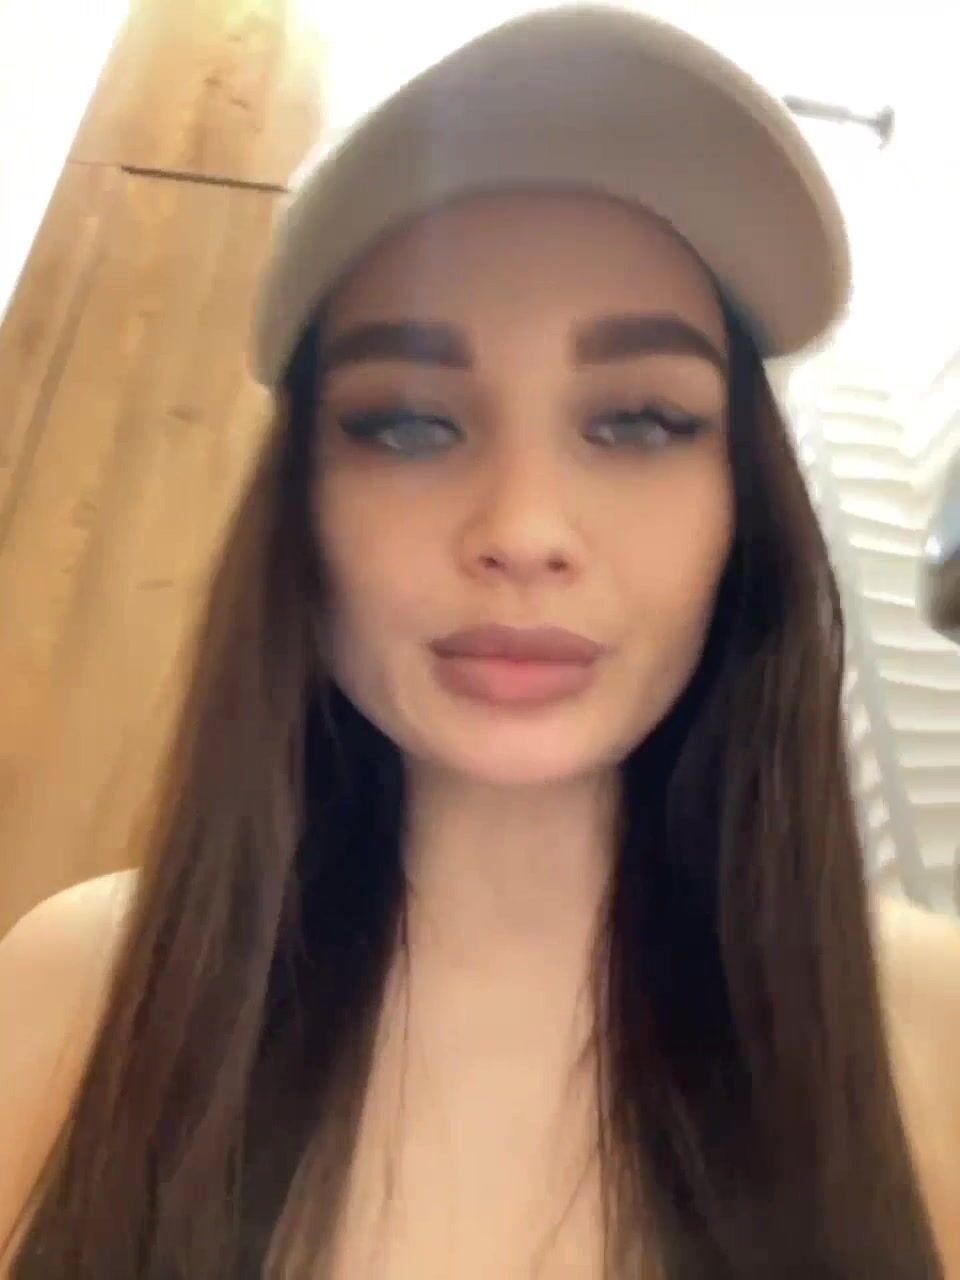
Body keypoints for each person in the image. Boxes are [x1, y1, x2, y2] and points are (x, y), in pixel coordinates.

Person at [1, 6, 959, 1278]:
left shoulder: (932, 1028)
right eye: (408, 423)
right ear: (303, 509)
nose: (522, 528)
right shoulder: (72, 995)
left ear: (744, 507)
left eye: (638, 421)